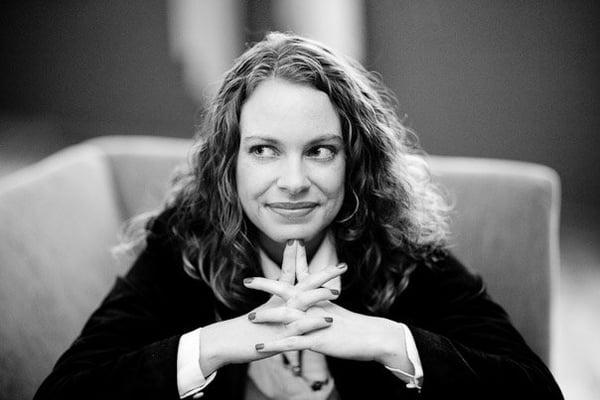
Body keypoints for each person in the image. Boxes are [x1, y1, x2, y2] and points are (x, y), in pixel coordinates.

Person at [34, 32, 563, 400]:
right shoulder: (185, 245)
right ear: (230, 162)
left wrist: (384, 340)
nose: (292, 181)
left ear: (353, 162)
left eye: (320, 151)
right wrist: (226, 342)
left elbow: (535, 391)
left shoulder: (399, 250)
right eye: (265, 149)